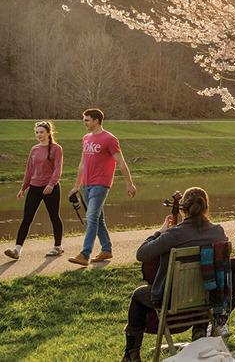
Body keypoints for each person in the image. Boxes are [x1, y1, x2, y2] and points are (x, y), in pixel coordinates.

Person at [123, 187, 227, 362]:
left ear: (183, 208)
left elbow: (141, 254)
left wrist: (160, 232)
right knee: (200, 284)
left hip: (172, 299)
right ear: (206, 207)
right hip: (206, 297)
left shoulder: (174, 234)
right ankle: (199, 335)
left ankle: (131, 354)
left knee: (138, 295)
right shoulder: (218, 232)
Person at [69, 108, 137, 266]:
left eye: (87, 120)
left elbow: (120, 162)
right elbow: (82, 164)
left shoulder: (109, 139)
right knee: (98, 219)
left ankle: (85, 254)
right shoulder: (86, 138)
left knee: (91, 217)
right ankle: (106, 249)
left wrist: (129, 183)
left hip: (101, 184)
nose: (84, 122)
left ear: (96, 120)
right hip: (86, 185)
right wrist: (76, 186)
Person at [4, 121, 64, 260]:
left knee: (54, 216)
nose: (39, 135)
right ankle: (17, 250)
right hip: (35, 187)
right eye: (37, 132)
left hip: (51, 189)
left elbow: (58, 169)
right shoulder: (34, 149)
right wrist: (23, 188)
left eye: (42, 132)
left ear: (49, 132)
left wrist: (51, 185)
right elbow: (29, 170)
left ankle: (58, 247)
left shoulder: (56, 148)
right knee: (27, 218)